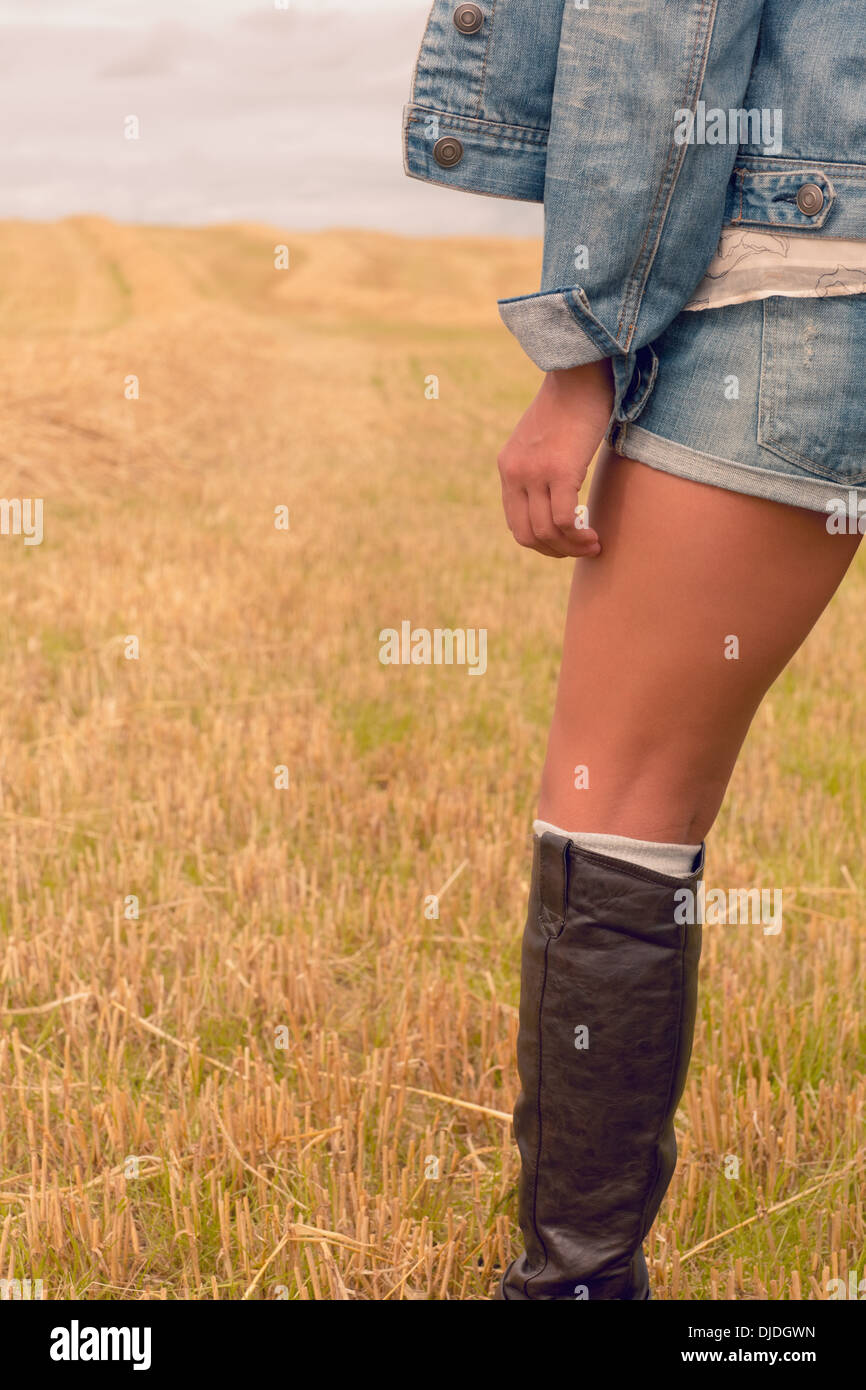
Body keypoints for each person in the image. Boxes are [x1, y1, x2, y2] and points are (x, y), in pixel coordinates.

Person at [403, 1, 866, 1299]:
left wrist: (581, 353)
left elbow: (666, 28)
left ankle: (573, 1282)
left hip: (804, 282)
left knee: (621, 801)